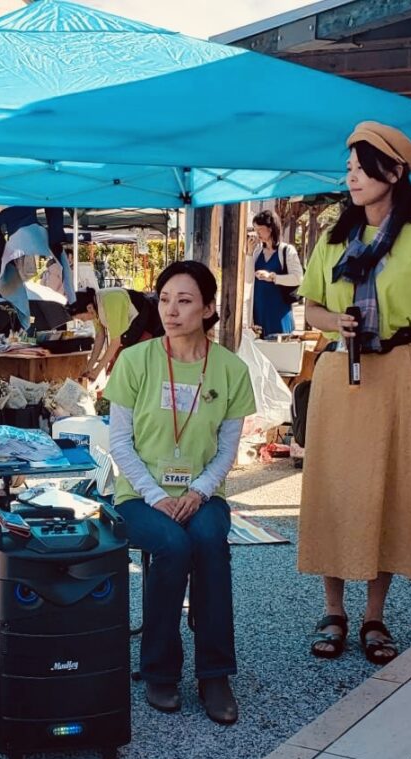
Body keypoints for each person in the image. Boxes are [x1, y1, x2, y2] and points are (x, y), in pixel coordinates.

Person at [298, 121, 411, 665]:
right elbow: (311, 308)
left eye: (361, 169)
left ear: (393, 173)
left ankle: (374, 615)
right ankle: (333, 610)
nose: (351, 178)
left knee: (383, 489)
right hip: (338, 375)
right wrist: (335, 323)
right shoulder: (332, 238)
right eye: (348, 169)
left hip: (394, 375)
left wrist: (402, 333)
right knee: (335, 487)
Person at [104, 261, 255, 722]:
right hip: (140, 494)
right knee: (172, 545)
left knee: (208, 540)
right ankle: (160, 670)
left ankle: (215, 674)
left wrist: (199, 492)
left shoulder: (230, 369)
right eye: (165, 299)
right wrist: (156, 496)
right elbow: (119, 443)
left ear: (208, 309)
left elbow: (228, 449)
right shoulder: (135, 360)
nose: (171, 310)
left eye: (184, 301)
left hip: (204, 493)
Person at [67, 287, 163, 379]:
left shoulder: (110, 302)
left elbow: (115, 342)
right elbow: (100, 336)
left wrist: (97, 370)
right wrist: (89, 368)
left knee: (134, 358)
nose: (83, 321)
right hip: (136, 325)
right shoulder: (93, 307)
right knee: (123, 356)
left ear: (89, 308)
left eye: (81, 318)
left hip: (152, 319)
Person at [244, 209, 303, 337]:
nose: (256, 233)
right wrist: (249, 253)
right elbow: (248, 279)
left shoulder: (287, 250)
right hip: (259, 311)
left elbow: (298, 278)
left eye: (259, 229)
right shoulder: (257, 251)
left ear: (270, 228)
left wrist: (272, 277)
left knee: (279, 345)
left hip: (279, 311)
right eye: (255, 229)